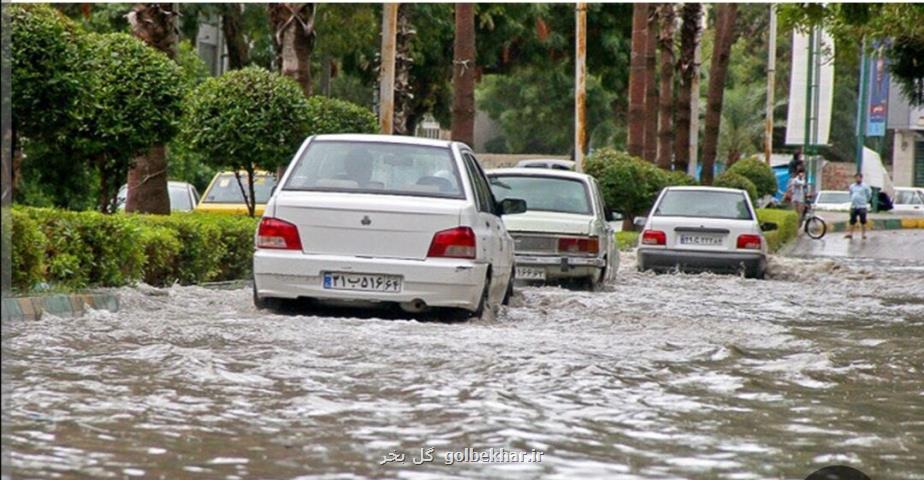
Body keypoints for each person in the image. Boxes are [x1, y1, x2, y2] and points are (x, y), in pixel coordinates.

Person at [846, 173, 872, 240]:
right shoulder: (852, 186)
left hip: (862, 206)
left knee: (863, 221)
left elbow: (869, 195)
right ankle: (850, 234)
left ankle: (863, 234)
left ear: (861, 178)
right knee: (852, 220)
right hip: (854, 206)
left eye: (858, 178)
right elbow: (851, 193)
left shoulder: (865, 186)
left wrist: (865, 201)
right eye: (856, 178)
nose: (857, 179)